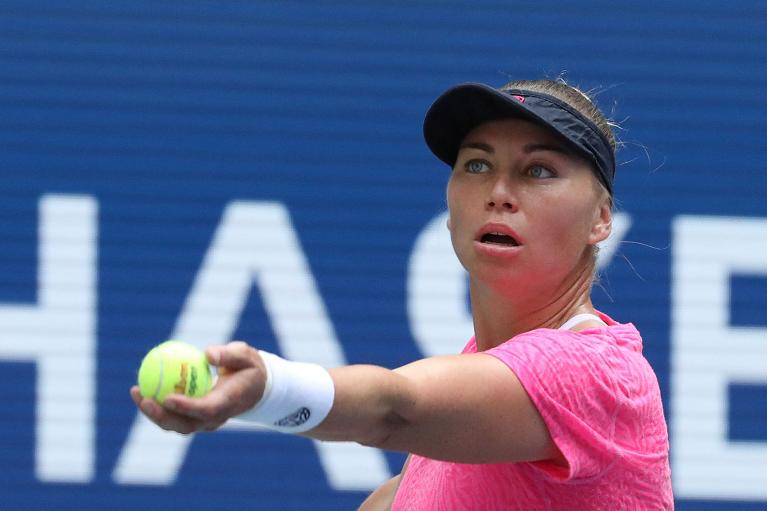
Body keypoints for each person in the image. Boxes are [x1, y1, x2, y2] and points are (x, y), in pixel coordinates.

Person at [131, 79, 673, 510]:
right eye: (476, 164)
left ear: (601, 219)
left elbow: (395, 408)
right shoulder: (455, 428)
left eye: (538, 170)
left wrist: (269, 389)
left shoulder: (596, 375)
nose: (499, 193)